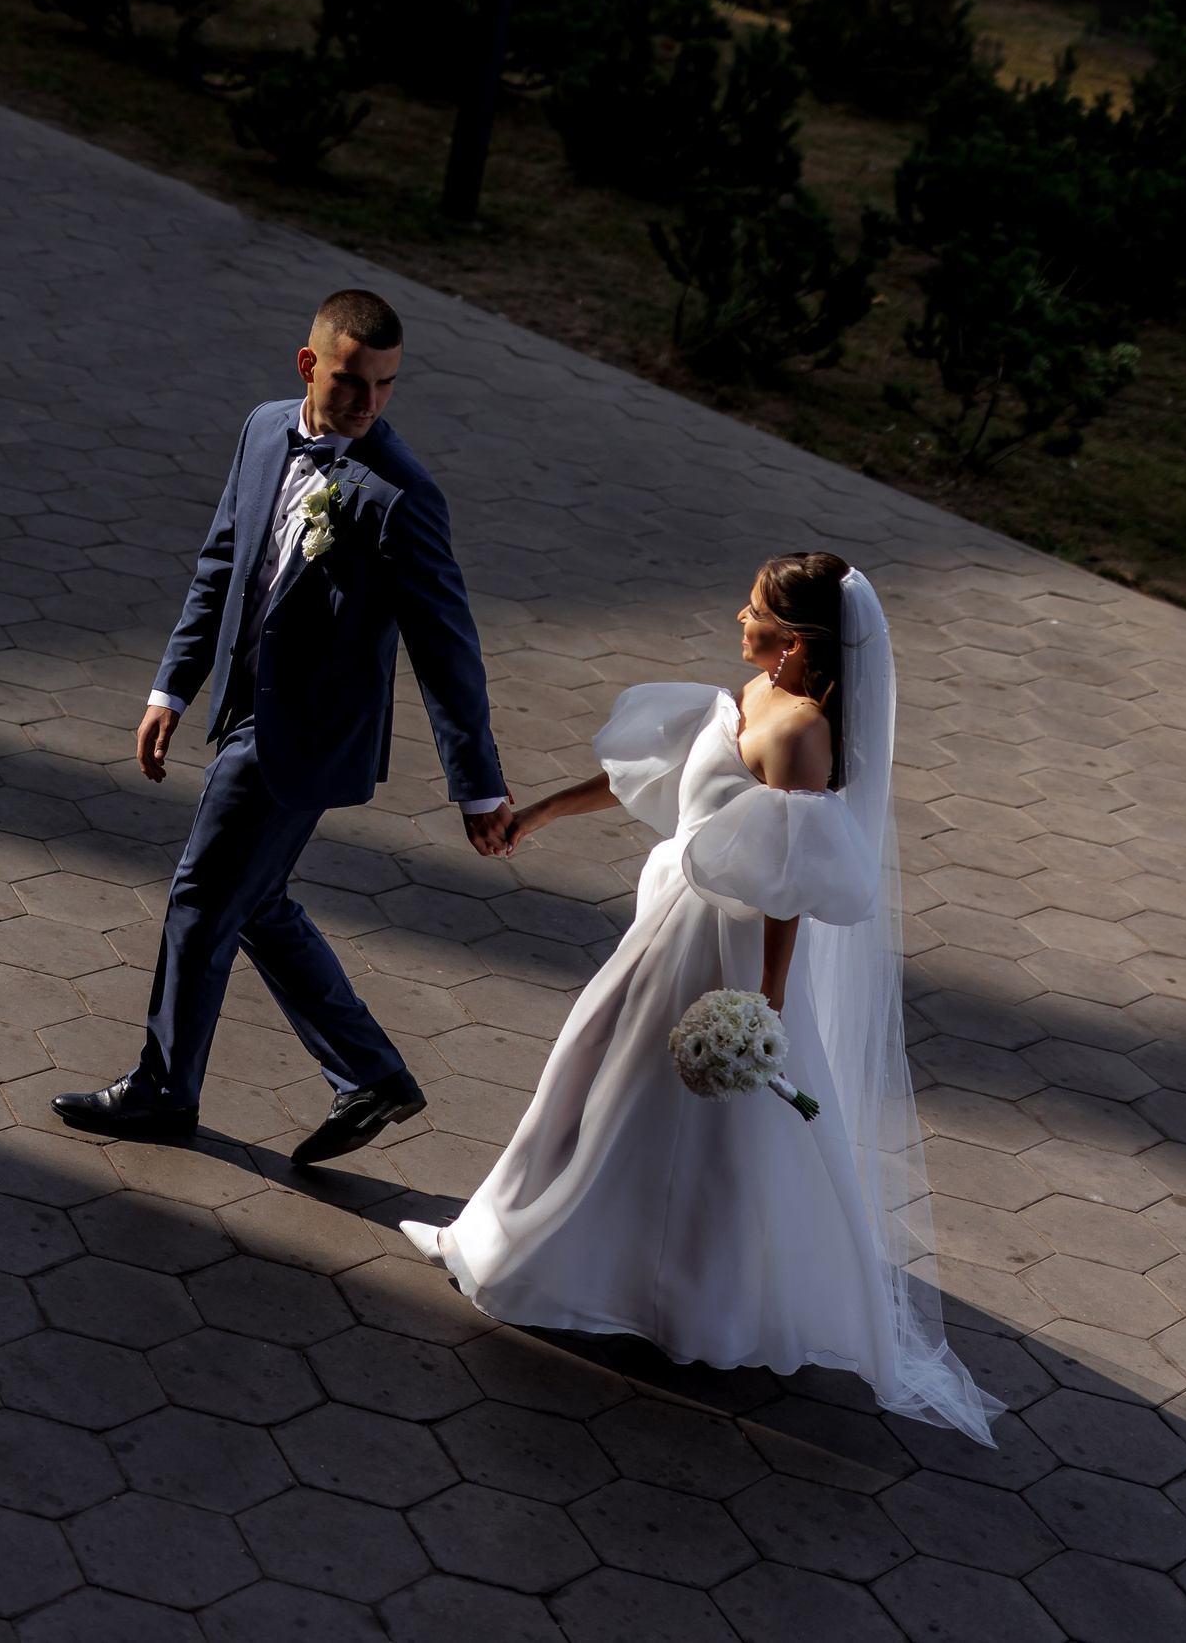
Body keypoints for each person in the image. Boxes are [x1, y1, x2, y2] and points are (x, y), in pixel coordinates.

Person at [401, 555, 1002, 1443]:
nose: (737, 616)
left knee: (671, 1118)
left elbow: (787, 884)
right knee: (595, 1081)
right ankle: (520, 1240)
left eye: (754, 611)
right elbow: (653, 780)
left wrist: (762, 1002)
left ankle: (649, 1291)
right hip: (669, 923)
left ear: (793, 643)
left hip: (723, 952)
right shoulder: (752, 695)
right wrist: (541, 815)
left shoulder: (801, 734)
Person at [51, 290, 513, 1166]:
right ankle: (370, 1075)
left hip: (302, 730)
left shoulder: (401, 494)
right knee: (254, 902)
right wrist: (171, 689)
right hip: (241, 702)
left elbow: (446, 644)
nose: (369, 402)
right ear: (309, 366)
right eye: (351, 381)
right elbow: (224, 559)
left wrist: (478, 784)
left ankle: (162, 1089)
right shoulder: (265, 428)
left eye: (385, 385)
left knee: (200, 896)